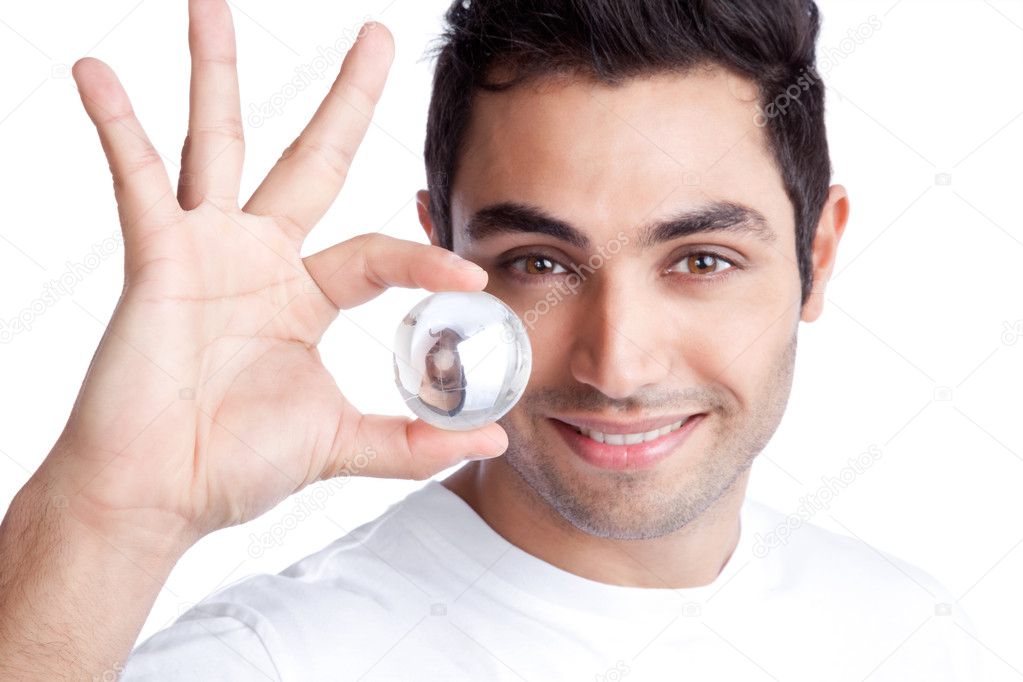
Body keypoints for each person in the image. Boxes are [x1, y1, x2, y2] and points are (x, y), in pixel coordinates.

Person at [0, 0, 989, 680]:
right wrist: (106, 518)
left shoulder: (917, 633)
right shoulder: (278, 658)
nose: (618, 365)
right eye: (541, 263)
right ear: (442, 256)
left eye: (700, 260)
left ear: (817, 253)